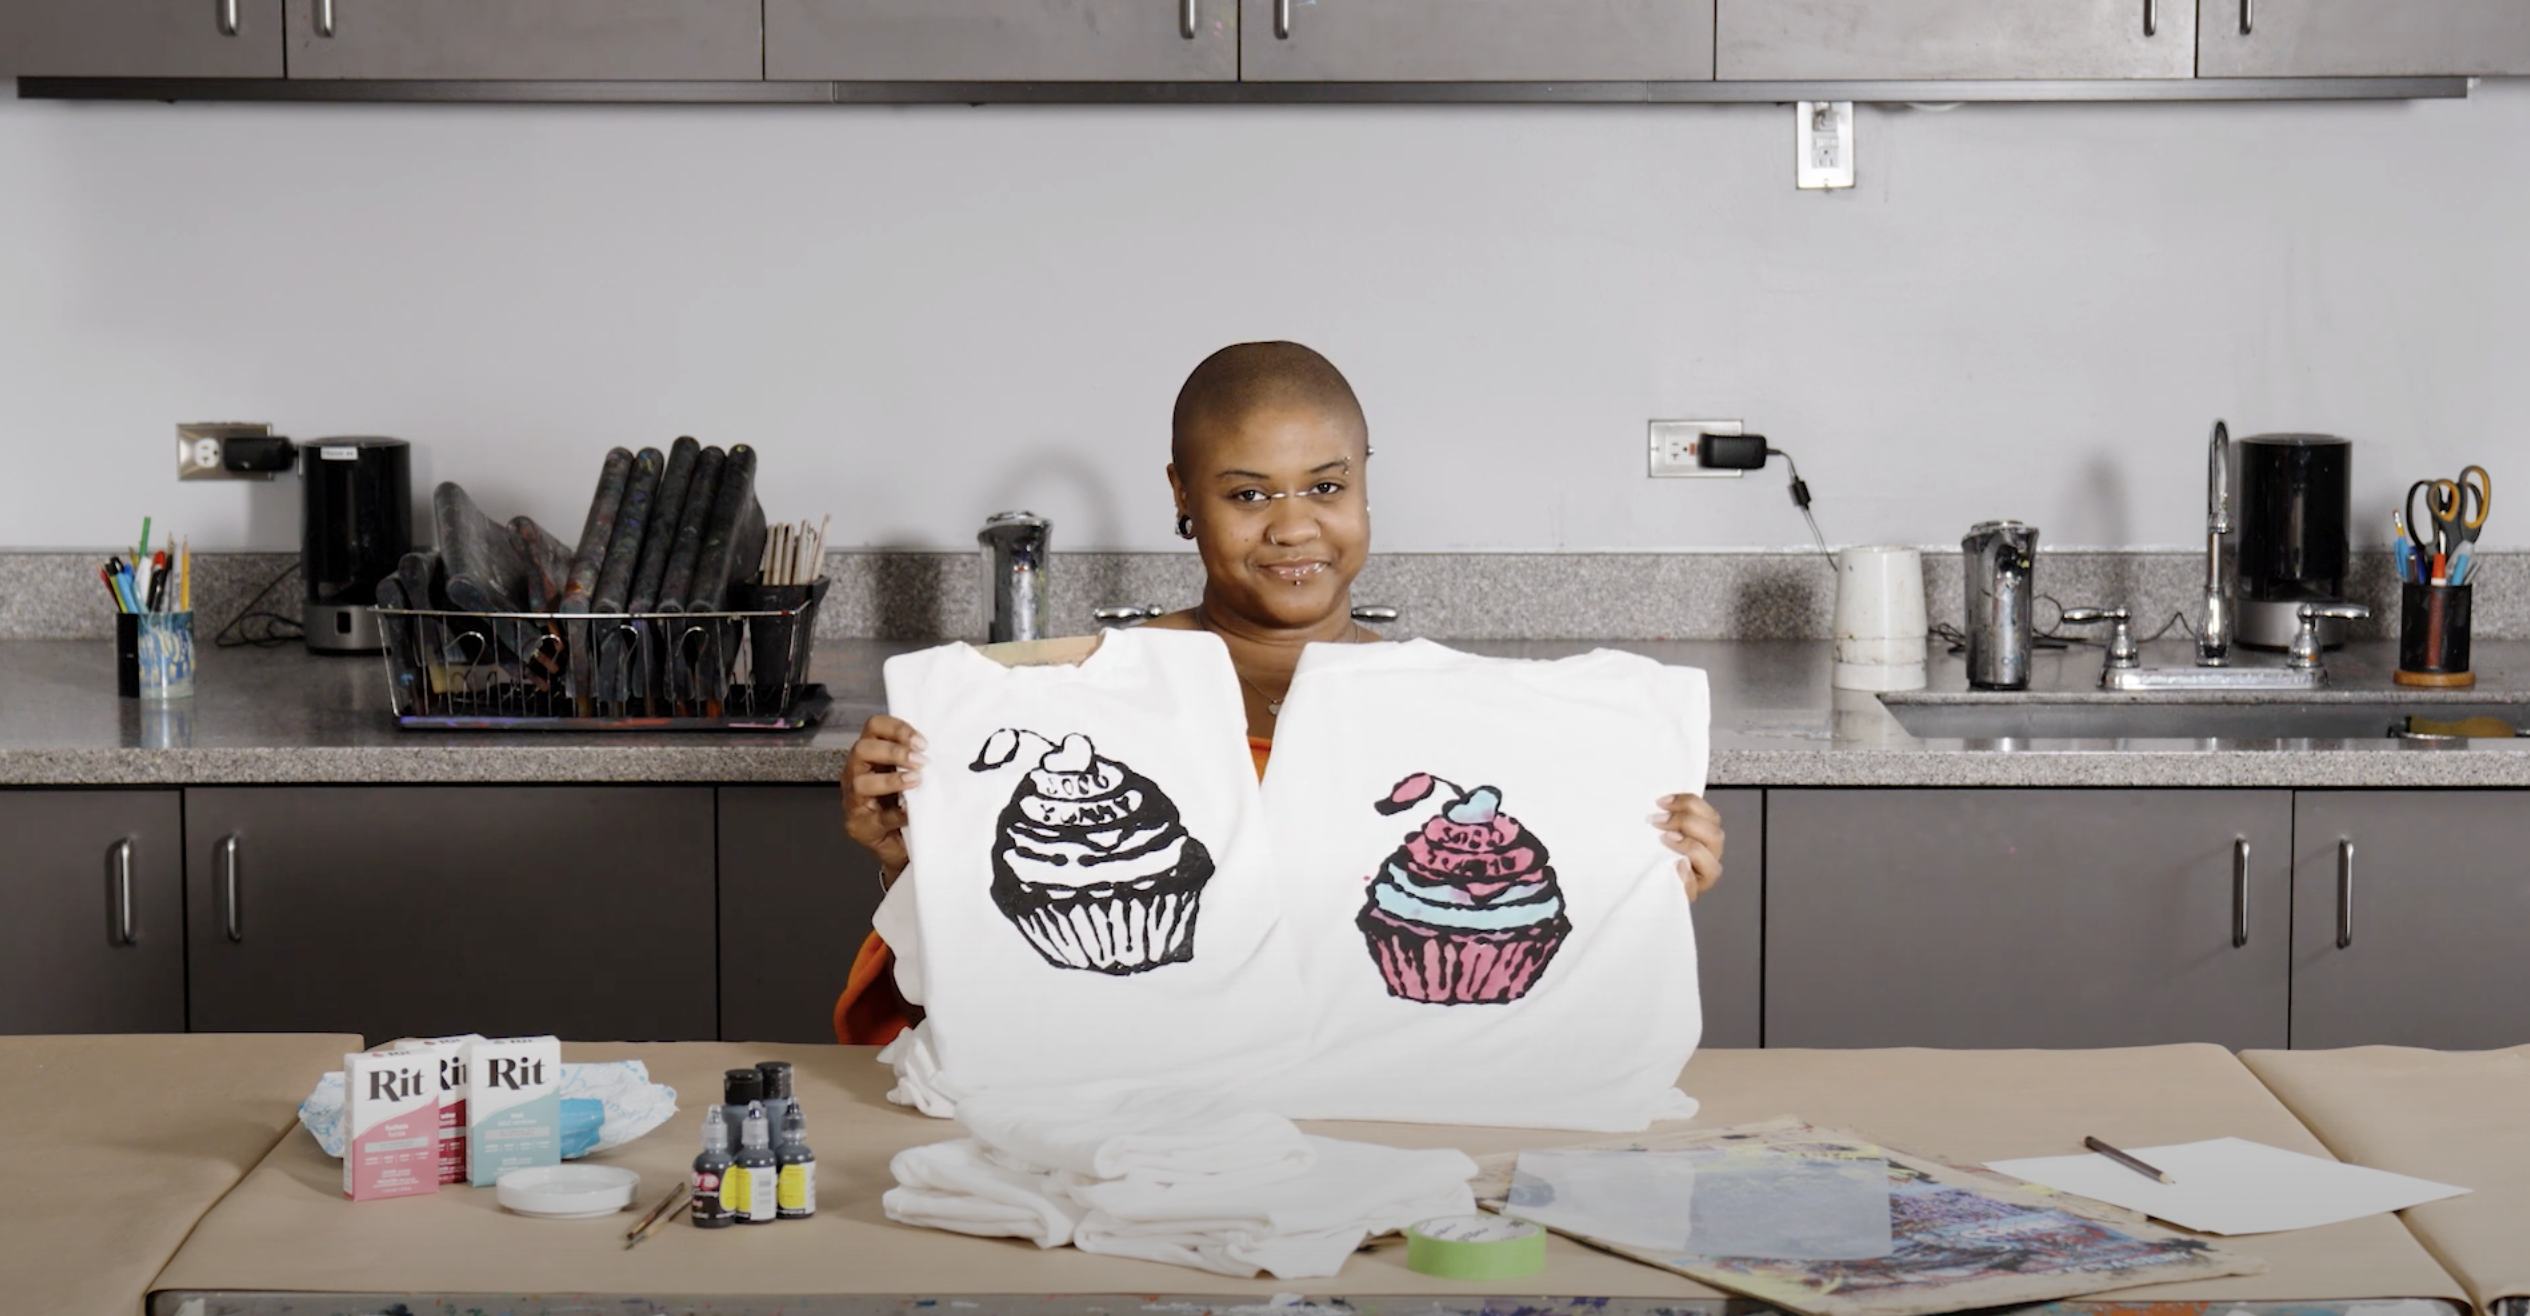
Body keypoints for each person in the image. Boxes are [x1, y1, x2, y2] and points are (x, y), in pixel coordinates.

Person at [834, 341, 1725, 1044]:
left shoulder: (1450, 722)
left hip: (1380, 1111)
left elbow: (1521, 959)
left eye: (1327, 486)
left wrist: (1640, 879)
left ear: (1367, 482)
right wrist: (910, 855)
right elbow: (978, 978)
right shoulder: (1077, 706)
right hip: (1135, 1107)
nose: (1294, 524)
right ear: (1184, 495)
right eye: (1248, 493)